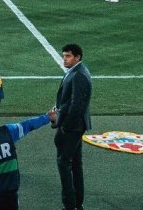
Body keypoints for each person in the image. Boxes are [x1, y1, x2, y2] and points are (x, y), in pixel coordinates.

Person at [53, 43, 91, 210]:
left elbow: (77, 106)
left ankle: (69, 205)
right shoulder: (77, 72)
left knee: (64, 163)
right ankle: (77, 203)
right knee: (75, 164)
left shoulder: (78, 75)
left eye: (68, 56)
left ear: (78, 57)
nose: (64, 59)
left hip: (72, 127)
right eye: (64, 56)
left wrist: (64, 125)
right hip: (75, 125)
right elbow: (70, 101)